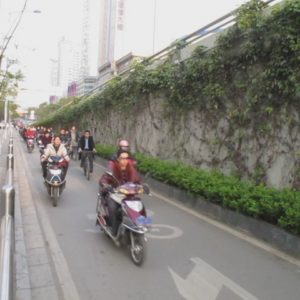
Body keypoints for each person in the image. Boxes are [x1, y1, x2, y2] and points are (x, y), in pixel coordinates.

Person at [99, 149, 141, 236]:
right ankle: (113, 229)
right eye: (122, 158)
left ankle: (139, 225)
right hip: (115, 194)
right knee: (113, 208)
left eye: (126, 158)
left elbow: (137, 180)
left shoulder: (132, 169)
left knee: (138, 207)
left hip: (129, 195)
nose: (124, 160)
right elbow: (104, 178)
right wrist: (106, 185)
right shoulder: (112, 167)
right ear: (118, 159)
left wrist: (140, 187)